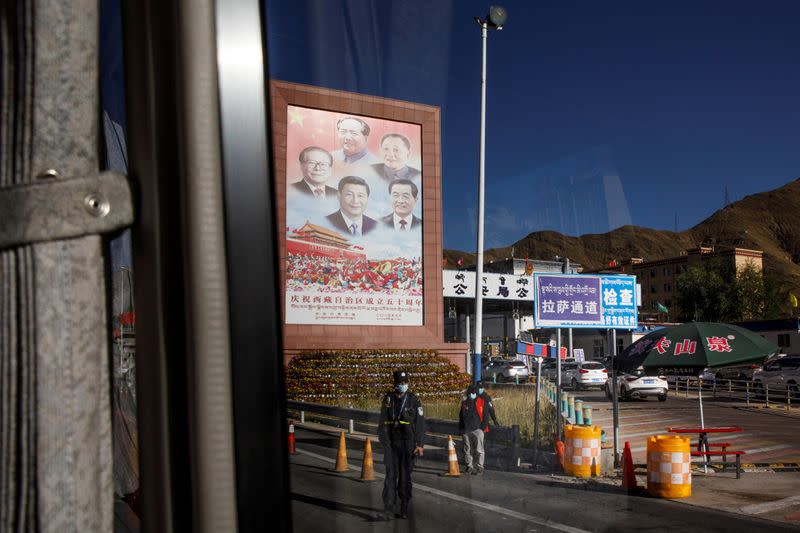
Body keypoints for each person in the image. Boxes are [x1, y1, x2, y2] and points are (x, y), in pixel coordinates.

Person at [378, 370, 425, 520]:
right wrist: (383, 441)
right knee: (390, 477)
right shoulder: (388, 399)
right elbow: (381, 421)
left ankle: (404, 506)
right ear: (395, 383)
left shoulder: (413, 400)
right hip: (391, 444)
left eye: (405, 382)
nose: (403, 385)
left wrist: (420, 444)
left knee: (404, 478)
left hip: (407, 444)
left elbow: (420, 424)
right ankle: (388, 508)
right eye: (400, 382)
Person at [459, 384, 489, 475]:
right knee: (468, 450)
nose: (472, 393)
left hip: (478, 430)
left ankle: (480, 467)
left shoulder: (482, 402)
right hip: (466, 430)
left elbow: (485, 416)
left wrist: (481, 428)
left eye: (473, 392)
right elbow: (461, 416)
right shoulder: (464, 403)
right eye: (471, 392)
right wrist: (461, 429)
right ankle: (469, 466)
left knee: (479, 450)